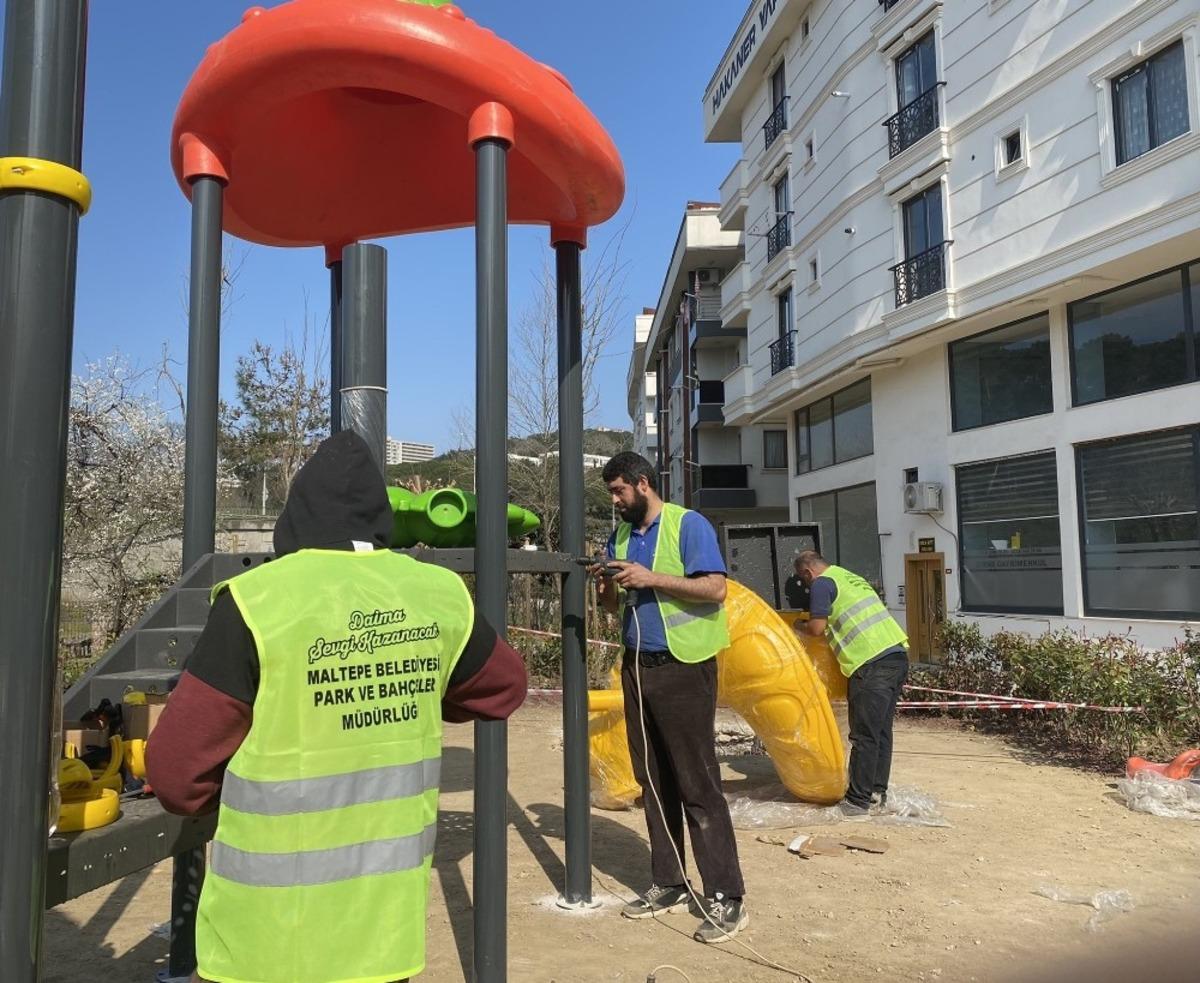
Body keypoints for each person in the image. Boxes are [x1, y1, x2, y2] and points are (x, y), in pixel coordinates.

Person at [147, 430, 528, 983]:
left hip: (267, 937)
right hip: (382, 935)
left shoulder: (258, 600)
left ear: (296, 516)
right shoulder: (437, 592)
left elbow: (176, 774)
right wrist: (413, 685)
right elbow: (503, 688)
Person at [593, 451, 748, 944]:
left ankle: (726, 894)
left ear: (643, 483)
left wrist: (651, 577)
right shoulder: (620, 535)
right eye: (611, 493)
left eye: (619, 491)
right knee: (653, 779)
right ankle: (669, 882)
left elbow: (716, 589)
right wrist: (606, 585)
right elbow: (613, 605)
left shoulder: (688, 525)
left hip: (685, 665)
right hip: (638, 666)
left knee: (696, 781)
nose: (615, 501)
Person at [795, 550, 908, 819]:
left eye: (804, 580)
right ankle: (876, 793)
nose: (807, 586)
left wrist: (798, 625)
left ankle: (857, 801)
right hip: (897, 655)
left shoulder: (822, 584)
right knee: (880, 732)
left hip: (870, 663)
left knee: (864, 735)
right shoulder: (850, 577)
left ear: (808, 572)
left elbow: (817, 628)